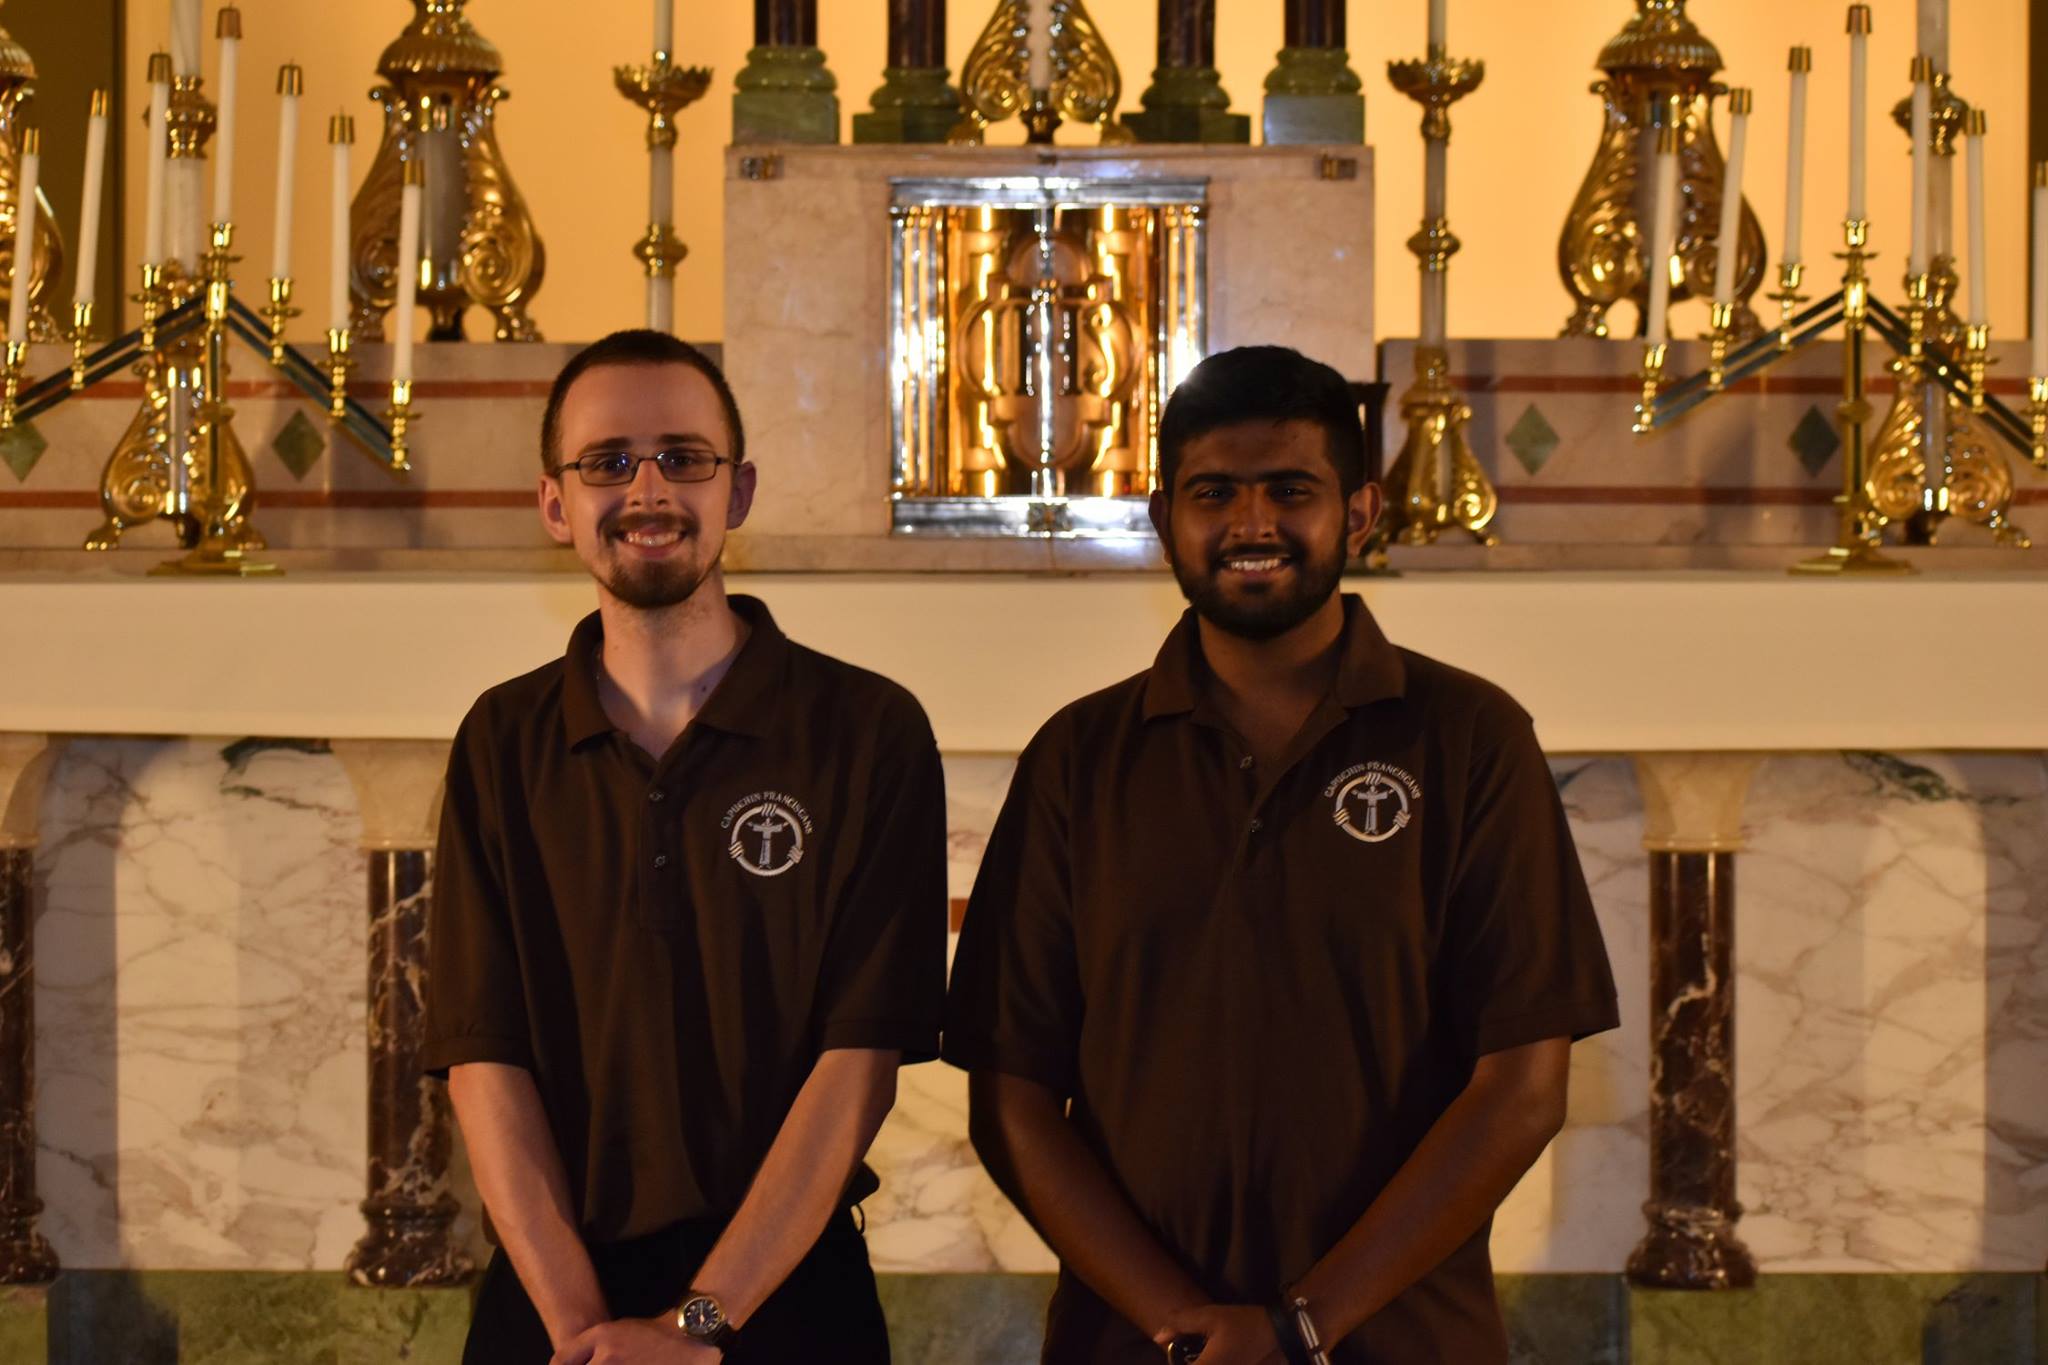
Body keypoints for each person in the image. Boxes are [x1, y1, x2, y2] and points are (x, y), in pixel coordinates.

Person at [944, 346, 1619, 1365]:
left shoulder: (1470, 738)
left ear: (1359, 513)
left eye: (1290, 491)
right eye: (1213, 492)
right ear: (1161, 516)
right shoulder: (1077, 759)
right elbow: (1011, 1098)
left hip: (1403, 1341)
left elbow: (1521, 1086)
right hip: (1134, 1344)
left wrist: (1301, 1325)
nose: (1252, 524)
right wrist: (1179, 1325)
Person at [422, 330, 947, 1364]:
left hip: (785, 1296)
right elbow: (483, 1059)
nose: (648, 488)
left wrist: (694, 1323)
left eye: (683, 457)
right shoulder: (503, 739)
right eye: (608, 461)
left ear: (737, 490)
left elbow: (859, 1066)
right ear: (554, 502)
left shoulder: (866, 731)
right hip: (556, 1295)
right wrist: (583, 1331)